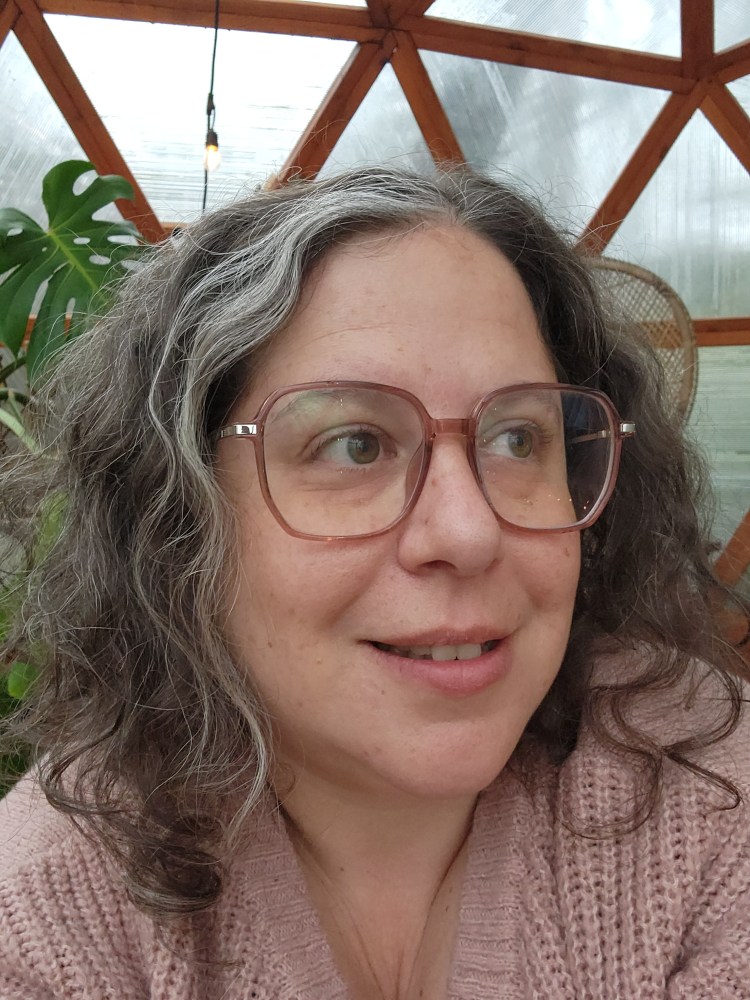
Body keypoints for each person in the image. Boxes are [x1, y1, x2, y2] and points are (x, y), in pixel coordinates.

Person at [0, 167, 747, 1000]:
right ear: (178, 515)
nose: (468, 532)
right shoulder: (50, 913)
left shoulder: (713, 793)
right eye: (355, 444)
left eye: (517, 438)